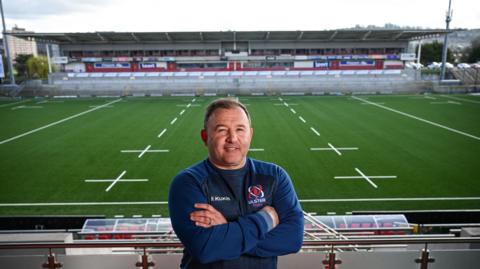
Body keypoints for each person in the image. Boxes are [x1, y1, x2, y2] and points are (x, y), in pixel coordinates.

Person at [168, 98, 304, 269]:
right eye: (222, 130)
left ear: (250, 134)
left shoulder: (274, 176)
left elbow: (292, 239)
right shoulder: (188, 182)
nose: (232, 138)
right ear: (205, 137)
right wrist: (265, 219)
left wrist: (226, 231)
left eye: (240, 129)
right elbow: (205, 247)